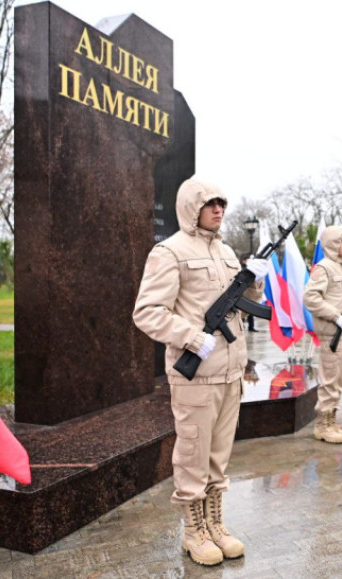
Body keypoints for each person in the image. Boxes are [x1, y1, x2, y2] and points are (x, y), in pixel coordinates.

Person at [133, 178, 268, 566]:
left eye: (221, 203)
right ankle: (193, 531)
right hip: (196, 376)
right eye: (210, 203)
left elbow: (244, 304)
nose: (218, 210)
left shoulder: (226, 252)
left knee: (218, 456)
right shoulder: (170, 252)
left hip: (230, 373)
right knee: (193, 454)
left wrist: (254, 280)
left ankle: (215, 525)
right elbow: (147, 312)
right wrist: (191, 337)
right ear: (193, 207)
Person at [303, 225, 342, 444]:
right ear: (333, 244)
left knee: (338, 380)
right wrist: (335, 315)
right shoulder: (324, 268)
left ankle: (331, 420)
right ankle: (322, 425)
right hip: (331, 334)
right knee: (330, 380)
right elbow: (310, 298)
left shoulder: (340, 268)